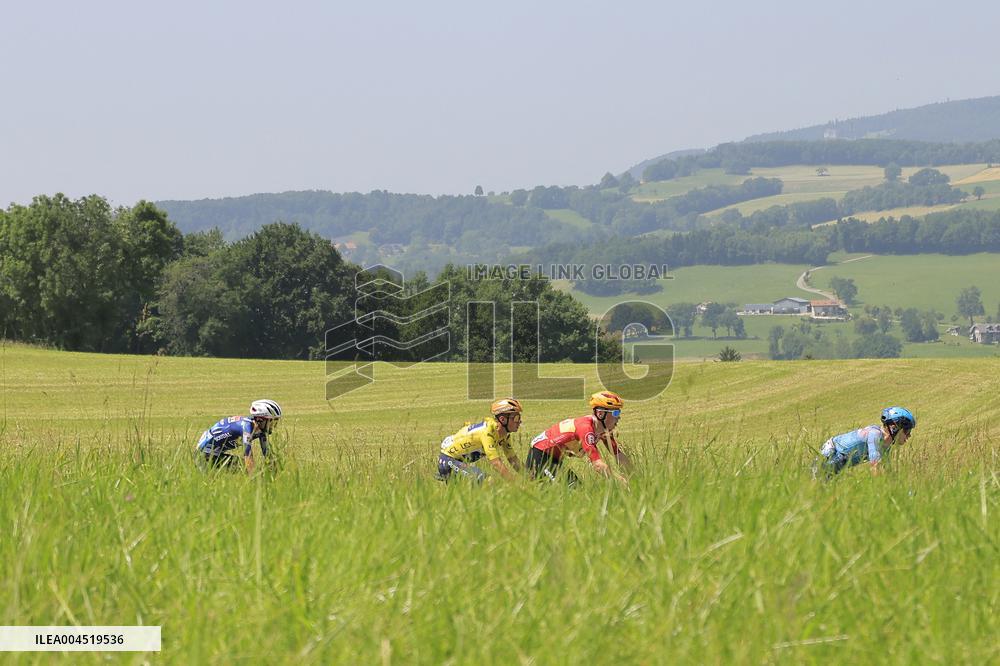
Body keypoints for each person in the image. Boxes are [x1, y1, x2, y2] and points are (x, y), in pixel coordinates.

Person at [525, 391, 628, 485]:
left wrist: (635, 477)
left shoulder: (604, 431)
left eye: (619, 412)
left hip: (554, 458)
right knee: (572, 491)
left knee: (577, 489)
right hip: (540, 455)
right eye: (615, 413)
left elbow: (618, 455)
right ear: (600, 414)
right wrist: (620, 481)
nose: (618, 417)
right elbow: (597, 465)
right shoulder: (586, 429)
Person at [436, 398, 524, 482]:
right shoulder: (487, 432)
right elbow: (496, 463)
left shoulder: (504, 435)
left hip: (460, 462)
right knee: (488, 481)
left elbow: (513, 460)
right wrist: (515, 484)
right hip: (448, 461)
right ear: (503, 419)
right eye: (516, 418)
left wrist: (531, 477)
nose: (520, 422)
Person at [817, 406, 915, 477]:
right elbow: (875, 467)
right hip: (831, 453)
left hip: (839, 463)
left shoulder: (886, 445)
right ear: (894, 428)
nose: (909, 435)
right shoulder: (875, 434)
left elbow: (887, 472)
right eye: (907, 431)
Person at [195, 399, 282, 474]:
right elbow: (248, 455)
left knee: (246, 468)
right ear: (260, 420)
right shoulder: (246, 427)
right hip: (203, 456)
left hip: (215, 454)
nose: (273, 426)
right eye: (272, 422)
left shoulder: (260, 429)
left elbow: (267, 453)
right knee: (246, 468)